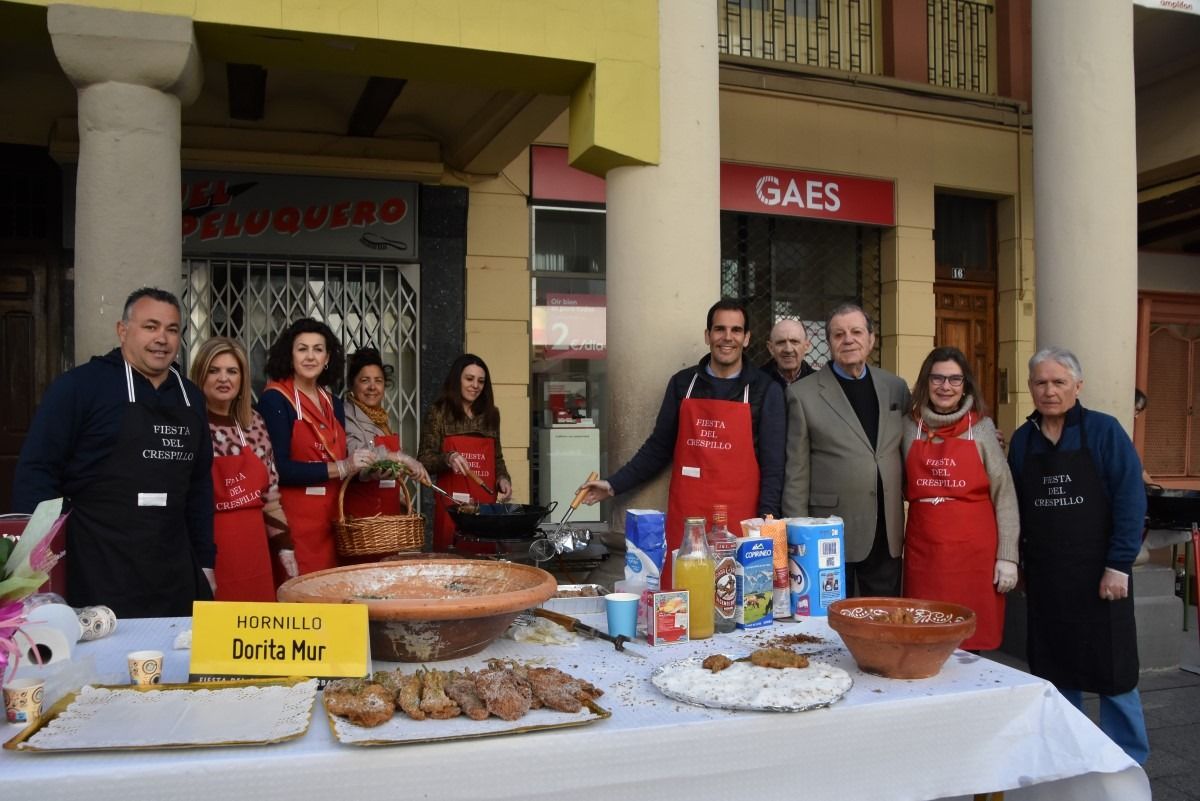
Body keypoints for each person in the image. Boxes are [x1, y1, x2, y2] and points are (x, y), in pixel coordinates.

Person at [12, 287, 214, 617]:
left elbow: (200, 486)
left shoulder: (190, 397)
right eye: (150, 326)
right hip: (97, 562)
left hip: (172, 565)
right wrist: (36, 553)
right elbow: (37, 471)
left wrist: (206, 561)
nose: (162, 338)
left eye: (172, 329)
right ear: (123, 330)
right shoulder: (79, 387)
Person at [579, 299, 785, 589]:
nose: (728, 337)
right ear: (707, 335)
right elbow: (658, 448)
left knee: (738, 599)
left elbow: (774, 464)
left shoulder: (766, 389)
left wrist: (766, 520)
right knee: (683, 596)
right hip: (689, 518)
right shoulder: (683, 384)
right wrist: (613, 485)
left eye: (736, 330)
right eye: (719, 329)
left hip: (742, 519)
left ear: (747, 338)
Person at [1007, 347, 1149, 765]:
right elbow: (1013, 506)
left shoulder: (1105, 432)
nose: (1049, 391)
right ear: (1031, 387)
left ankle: (1127, 762)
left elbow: (1130, 500)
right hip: (1049, 579)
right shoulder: (1023, 440)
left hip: (1102, 577)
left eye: (1059, 382)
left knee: (1115, 673)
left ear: (1077, 386)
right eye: (1041, 383)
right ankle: (1068, 756)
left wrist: (1119, 565)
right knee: (1056, 671)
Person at [782, 303, 910, 597]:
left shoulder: (895, 388)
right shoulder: (802, 394)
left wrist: (977, 433)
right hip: (829, 531)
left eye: (856, 332)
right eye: (839, 334)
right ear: (829, 343)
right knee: (832, 620)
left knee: (882, 617)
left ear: (871, 339)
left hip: (886, 530)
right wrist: (797, 533)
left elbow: (917, 435)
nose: (848, 339)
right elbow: (796, 471)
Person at [902, 346, 1019, 650]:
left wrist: (1008, 556)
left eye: (955, 379)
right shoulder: (906, 427)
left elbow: (1004, 493)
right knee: (923, 637)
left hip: (975, 556)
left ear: (965, 384)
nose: (945, 387)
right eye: (938, 378)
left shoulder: (982, 429)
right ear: (926, 382)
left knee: (970, 642)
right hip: (925, 552)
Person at [258, 319, 372, 575]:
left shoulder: (333, 403)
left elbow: (344, 462)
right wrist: (340, 467)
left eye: (318, 349)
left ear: (328, 357)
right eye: (302, 349)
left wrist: (371, 468)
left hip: (333, 521)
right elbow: (279, 469)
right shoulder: (275, 399)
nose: (310, 356)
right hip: (295, 524)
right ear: (290, 355)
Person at [190, 336, 297, 601]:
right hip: (210, 546)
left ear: (242, 379)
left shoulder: (254, 423)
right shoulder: (190, 424)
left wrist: (285, 547)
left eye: (232, 371)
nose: (223, 378)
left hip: (254, 547)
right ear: (200, 375)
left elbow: (271, 497)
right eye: (214, 371)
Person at [417, 354, 513, 551]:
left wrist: (503, 478)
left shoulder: (491, 414)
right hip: (453, 505)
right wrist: (448, 458)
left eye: (481, 381)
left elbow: (497, 457)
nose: (475, 386)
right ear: (456, 379)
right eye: (469, 379)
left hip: (484, 503)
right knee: (452, 558)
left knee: (484, 555)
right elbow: (424, 459)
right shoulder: (439, 412)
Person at [343, 347, 429, 520]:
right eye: (365, 380)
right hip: (363, 517)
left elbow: (386, 472)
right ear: (353, 384)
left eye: (378, 381)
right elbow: (357, 456)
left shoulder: (382, 419)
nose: (372, 387)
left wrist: (399, 498)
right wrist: (402, 458)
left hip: (387, 515)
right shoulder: (346, 415)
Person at [761, 318, 815, 388]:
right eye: (781, 342)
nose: (788, 350)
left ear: (806, 346)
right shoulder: (756, 381)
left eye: (794, 342)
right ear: (771, 348)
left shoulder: (818, 382)